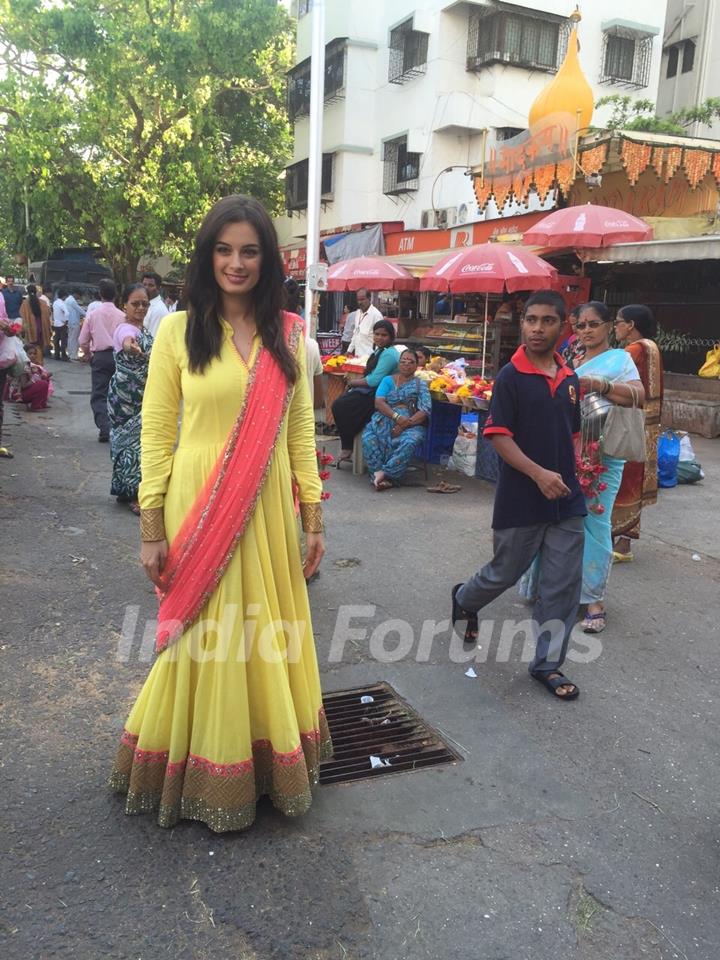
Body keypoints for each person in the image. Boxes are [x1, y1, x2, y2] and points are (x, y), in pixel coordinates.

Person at [109, 194, 331, 832]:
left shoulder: (291, 335)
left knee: (263, 631)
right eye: (224, 250)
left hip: (264, 509)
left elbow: (297, 439)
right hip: (198, 504)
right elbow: (156, 431)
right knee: (203, 635)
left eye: (250, 251)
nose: (236, 263)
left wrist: (312, 515)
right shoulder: (178, 331)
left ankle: (265, 760)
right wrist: (151, 526)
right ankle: (194, 764)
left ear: (268, 260)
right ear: (208, 257)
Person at [451, 290, 586, 701]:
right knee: (505, 572)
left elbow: (574, 434)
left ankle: (547, 664)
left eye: (547, 321)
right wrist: (538, 474)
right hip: (521, 496)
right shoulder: (511, 376)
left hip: (567, 498)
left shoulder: (570, 379)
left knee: (562, 585)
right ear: (522, 323)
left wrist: (578, 471)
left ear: (562, 327)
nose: (537, 328)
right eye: (531, 320)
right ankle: (464, 598)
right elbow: (497, 436)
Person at [572, 301, 644, 633]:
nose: (586, 330)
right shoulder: (571, 359)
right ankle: (557, 588)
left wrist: (601, 386)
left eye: (593, 324)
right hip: (568, 450)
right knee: (562, 520)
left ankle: (593, 599)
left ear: (607, 327)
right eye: (580, 325)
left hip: (604, 454)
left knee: (596, 522)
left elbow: (638, 395)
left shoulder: (620, 359)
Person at [611, 304, 664, 562]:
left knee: (621, 478)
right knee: (635, 479)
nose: (615, 326)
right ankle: (623, 544)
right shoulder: (651, 346)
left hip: (630, 421)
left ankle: (614, 540)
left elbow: (612, 378)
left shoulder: (633, 350)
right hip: (648, 422)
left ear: (630, 324)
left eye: (618, 321)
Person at [107, 283, 153, 514]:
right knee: (133, 444)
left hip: (141, 396)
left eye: (145, 304)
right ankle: (135, 494)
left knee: (136, 443)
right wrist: (130, 347)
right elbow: (127, 341)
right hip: (126, 399)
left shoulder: (143, 330)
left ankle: (125, 490)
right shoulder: (126, 330)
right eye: (135, 303)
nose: (141, 308)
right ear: (124, 305)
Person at [332, 319, 399, 467]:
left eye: (384, 335)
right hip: (372, 391)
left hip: (380, 395)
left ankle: (347, 446)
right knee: (341, 403)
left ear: (391, 337)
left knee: (340, 406)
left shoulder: (389, 354)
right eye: (377, 334)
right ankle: (348, 443)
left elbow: (374, 380)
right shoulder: (380, 351)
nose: (380, 338)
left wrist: (352, 383)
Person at [362, 348, 431, 489]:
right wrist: (397, 417)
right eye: (403, 361)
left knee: (410, 441)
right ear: (399, 364)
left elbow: (425, 410)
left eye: (410, 362)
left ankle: (385, 474)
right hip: (384, 420)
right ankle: (379, 475)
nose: (406, 364)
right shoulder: (388, 380)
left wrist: (405, 424)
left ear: (416, 365)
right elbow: (379, 402)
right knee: (368, 438)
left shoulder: (420, 385)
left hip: (412, 424)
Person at [79, 278, 125, 442]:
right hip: (119, 357)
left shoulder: (92, 315)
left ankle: (105, 427)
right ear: (116, 294)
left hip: (100, 356)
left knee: (99, 393)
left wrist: (88, 355)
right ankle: (118, 428)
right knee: (118, 393)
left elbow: (83, 340)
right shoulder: (122, 316)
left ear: (100, 294)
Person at [19, 283, 53, 365]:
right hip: (41, 328)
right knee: (39, 348)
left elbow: (21, 314)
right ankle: (40, 366)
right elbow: (49, 313)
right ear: (36, 291)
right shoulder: (43, 302)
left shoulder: (25, 303)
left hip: (30, 329)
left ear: (27, 292)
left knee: (30, 350)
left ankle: (32, 367)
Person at [347, 288, 383, 357]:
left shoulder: (376, 315)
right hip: (358, 358)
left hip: (370, 358)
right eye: (358, 300)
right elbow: (356, 334)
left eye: (362, 299)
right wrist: (349, 351)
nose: (360, 302)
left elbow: (380, 340)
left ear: (369, 299)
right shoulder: (358, 313)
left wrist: (375, 358)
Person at [142, 271, 170, 338]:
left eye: (150, 285)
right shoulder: (145, 304)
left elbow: (152, 340)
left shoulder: (159, 310)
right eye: (144, 284)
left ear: (159, 288)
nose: (146, 288)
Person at [64, 287, 86, 360]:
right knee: (74, 339)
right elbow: (79, 310)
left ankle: (70, 354)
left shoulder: (67, 299)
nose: (79, 298)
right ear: (76, 294)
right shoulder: (72, 301)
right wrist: (87, 314)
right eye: (79, 296)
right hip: (74, 322)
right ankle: (73, 355)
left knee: (70, 338)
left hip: (70, 322)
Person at [52, 287, 70, 361]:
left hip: (56, 323)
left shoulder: (55, 303)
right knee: (63, 340)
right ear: (64, 296)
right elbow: (67, 313)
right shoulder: (62, 303)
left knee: (56, 340)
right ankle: (63, 355)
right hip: (62, 325)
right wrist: (66, 320)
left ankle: (56, 355)